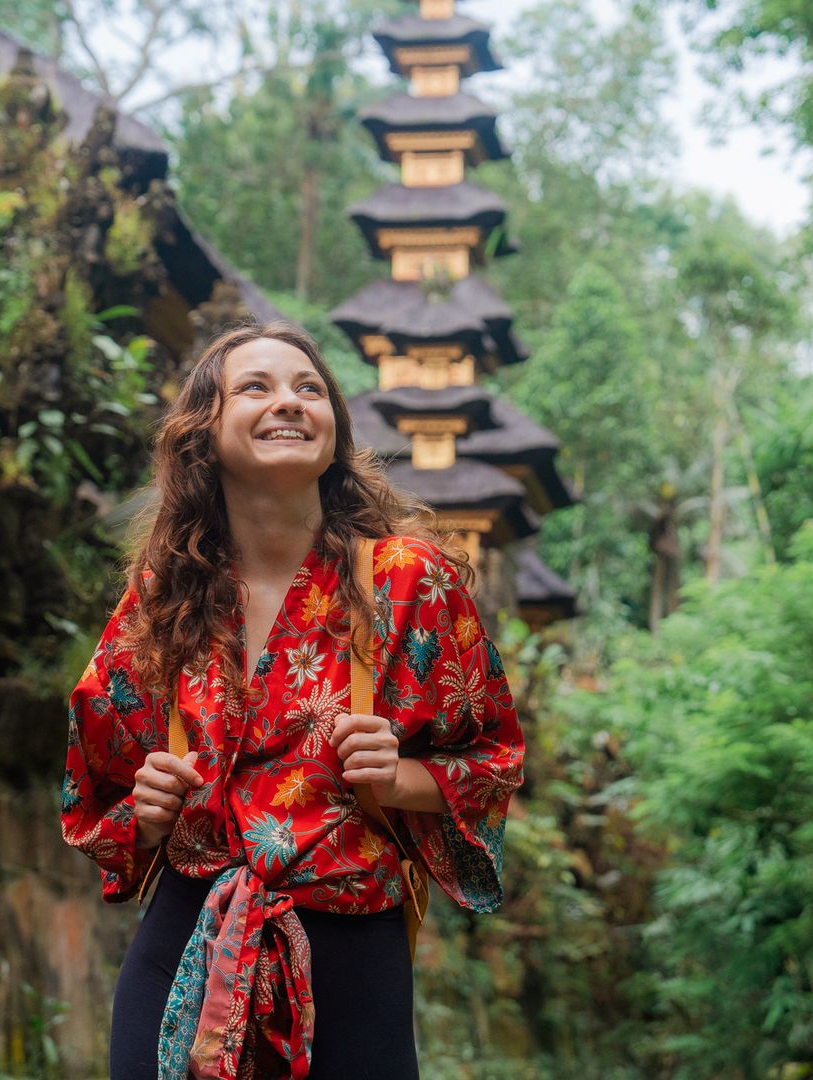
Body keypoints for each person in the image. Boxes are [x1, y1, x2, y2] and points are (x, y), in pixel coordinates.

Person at [60, 321, 525, 1080]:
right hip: (187, 938)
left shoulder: (408, 581)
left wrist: (397, 778)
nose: (289, 401)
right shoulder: (163, 598)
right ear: (204, 434)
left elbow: (494, 758)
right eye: (256, 386)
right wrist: (146, 811)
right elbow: (95, 791)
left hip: (352, 958)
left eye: (310, 388)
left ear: (334, 431)